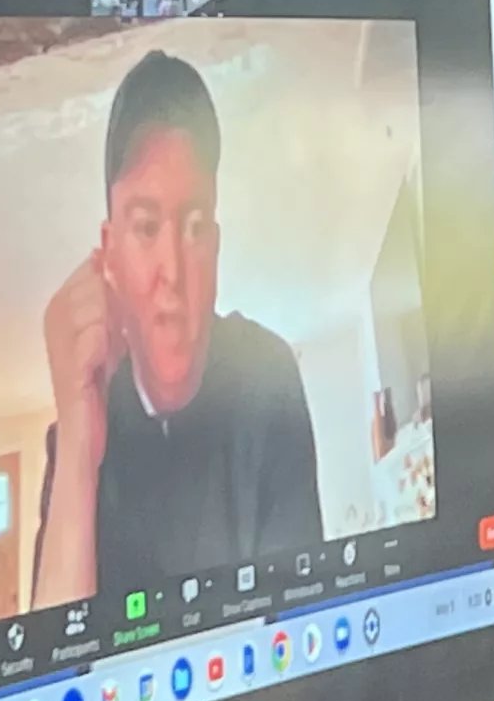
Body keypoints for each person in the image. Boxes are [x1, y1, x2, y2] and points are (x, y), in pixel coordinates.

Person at [31, 49, 324, 608]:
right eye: (146, 227)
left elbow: (299, 619)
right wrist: (78, 453)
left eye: (194, 227)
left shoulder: (267, 381)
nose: (173, 270)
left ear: (215, 246)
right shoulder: (74, 433)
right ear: (109, 256)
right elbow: (57, 656)